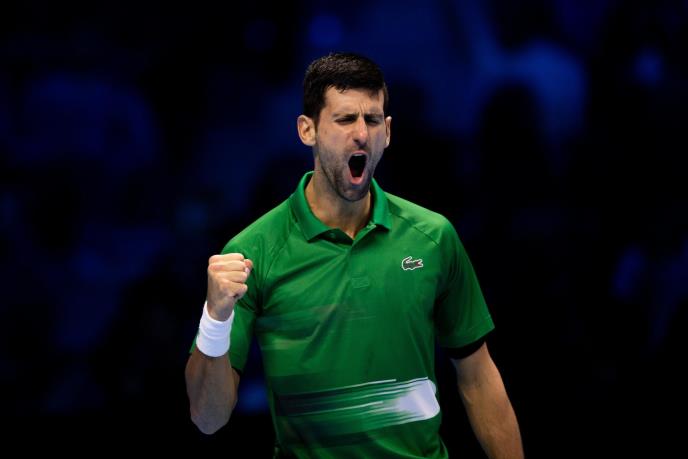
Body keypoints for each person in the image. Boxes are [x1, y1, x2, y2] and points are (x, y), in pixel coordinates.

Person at [185, 52, 524, 458]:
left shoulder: (433, 237)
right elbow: (208, 418)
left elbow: (478, 378)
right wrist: (215, 319)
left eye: (373, 120)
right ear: (307, 130)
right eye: (345, 119)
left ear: (388, 131)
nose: (362, 134)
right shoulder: (252, 252)